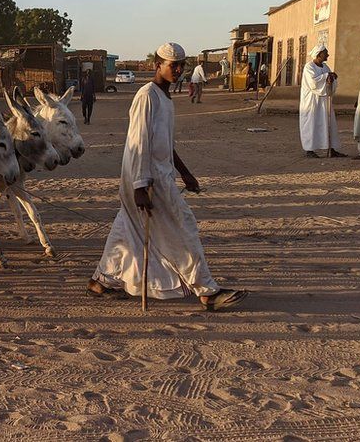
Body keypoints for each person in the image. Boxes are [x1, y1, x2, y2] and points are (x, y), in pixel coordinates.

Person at [87, 42, 247, 311]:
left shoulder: (165, 98)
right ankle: (207, 291)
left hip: (159, 174)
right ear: (157, 65)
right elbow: (139, 142)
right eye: (173, 65)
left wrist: (185, 173)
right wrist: (140, 184)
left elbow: (165, 142)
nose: (179, 70)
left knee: (127, 229)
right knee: (183, 227)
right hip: (146, 178)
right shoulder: (147, 95)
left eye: (182, 65)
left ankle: (100, 281)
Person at [299, 45, 347, 158]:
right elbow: (313, 83)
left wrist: (332, 78)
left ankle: (331, 148)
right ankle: (309, 149)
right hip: (312, 101)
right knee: (311, 123)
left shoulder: (325, 67)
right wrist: (327, 76)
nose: (328, 55)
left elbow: (330, 81)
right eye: (326, 53)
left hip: (324, 100)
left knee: (328, 123)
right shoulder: (309, 67)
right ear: (319, 54)